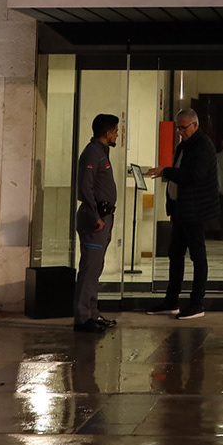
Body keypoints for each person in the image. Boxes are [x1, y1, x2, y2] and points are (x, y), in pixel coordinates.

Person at [145, 108, 218, 320]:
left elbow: (193, 175)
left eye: (183, 127)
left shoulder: (203, 145)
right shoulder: (183, 146)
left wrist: (166, 171)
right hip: (181, 210)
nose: (180, 131)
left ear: (195, 125)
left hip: (195, 211)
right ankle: (171, 301)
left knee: (197, 256)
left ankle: (197, 303)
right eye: (178, 127)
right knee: (175, 255)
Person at [72, 113, 122, 334]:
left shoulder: (101, 152)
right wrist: (95, 216)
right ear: (108, 133)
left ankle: (92, 313)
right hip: (95, 220)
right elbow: (85, 187)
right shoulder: (93, 153)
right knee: (89, 268)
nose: (117, 135)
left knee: (95, 268)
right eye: (116, 131)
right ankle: (82, 317)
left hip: (104, 217)